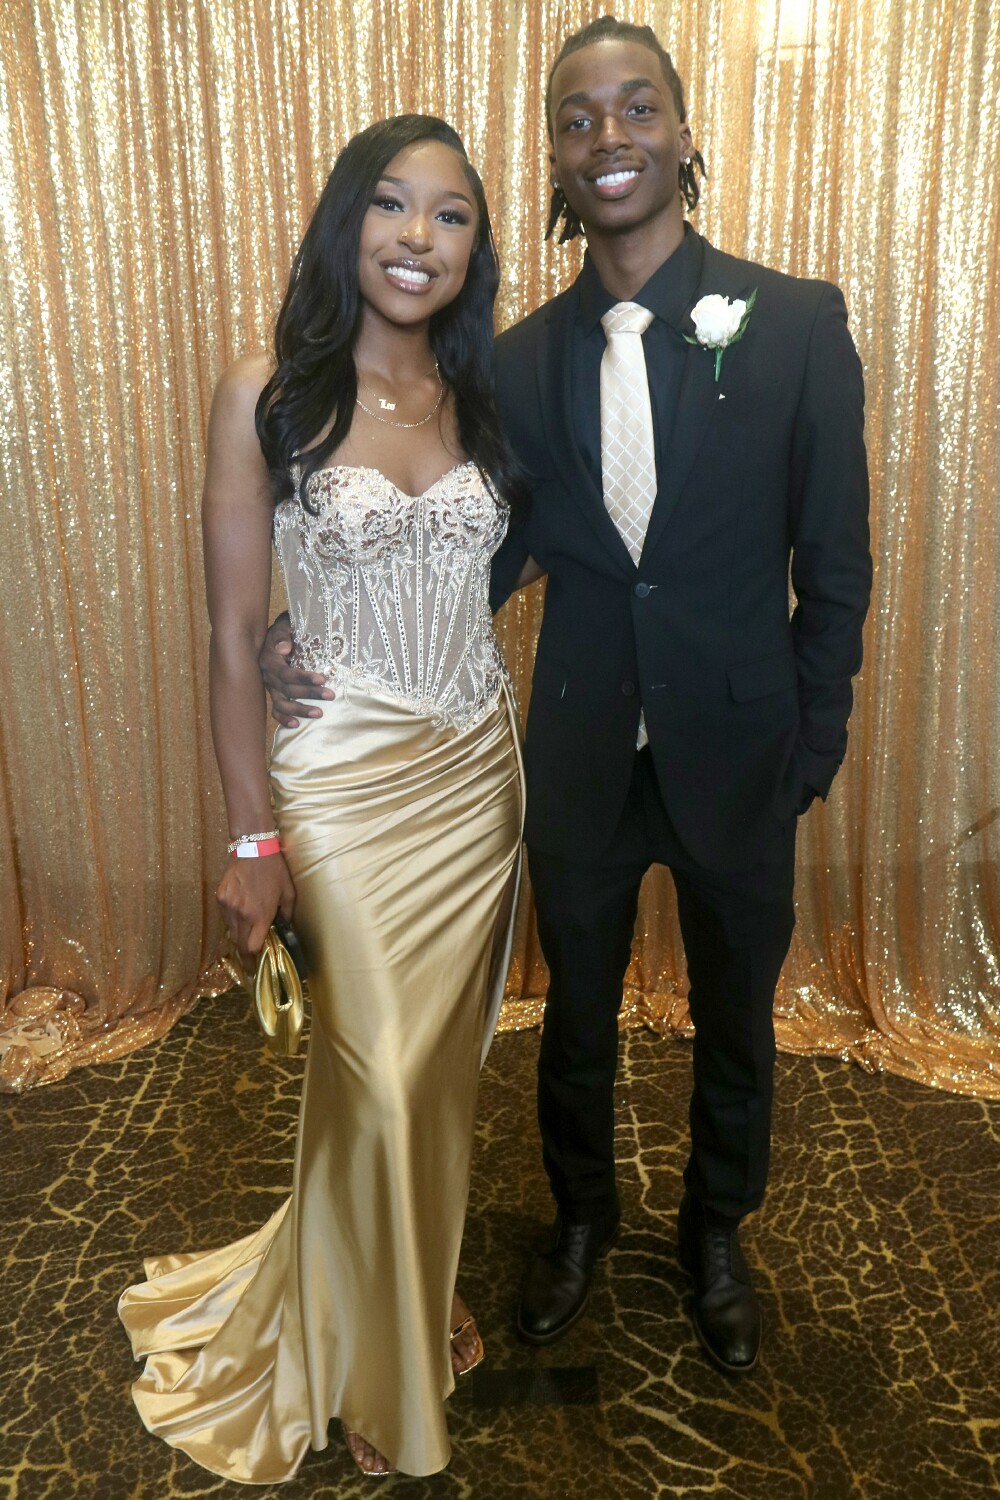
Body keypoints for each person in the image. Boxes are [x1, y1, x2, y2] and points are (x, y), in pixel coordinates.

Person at [263, 16, 872, 1379]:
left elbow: (835, 564)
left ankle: (716, 1237)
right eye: (578, 119)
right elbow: (481, 544)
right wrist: (312, 633)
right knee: (575, 1021)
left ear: (682, 134)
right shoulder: (517, 360)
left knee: (737, 1019)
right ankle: (581, 1221)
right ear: (552, 159)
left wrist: (812, 745)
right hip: (579, 751)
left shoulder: (793, 323)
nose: (609, 137)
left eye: (635, 107)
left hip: (744, 752)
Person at [118, 115, 525, 1481]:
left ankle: (403, 1297)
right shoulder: (270, 391)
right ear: (348, 222)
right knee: (381, 1075)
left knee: (432, 1083)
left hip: (475, 779)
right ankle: (370, 1361)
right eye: (393, 205)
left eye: (452, 216)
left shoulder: (482, 394)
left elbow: (503, 561)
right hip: (341, 783)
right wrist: (252, 837)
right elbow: (235, 638)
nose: (419, 237)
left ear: (474, 249)